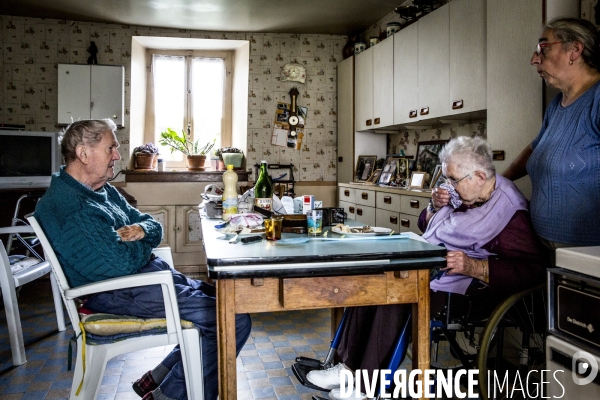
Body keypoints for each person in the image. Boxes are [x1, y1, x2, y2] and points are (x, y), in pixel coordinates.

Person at [306, 137, 548, 397]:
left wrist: (475, 267)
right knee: (372, 276)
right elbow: (427, 226)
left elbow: (534, 270)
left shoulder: (511, 212)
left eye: (453, 180)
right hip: (430, 267)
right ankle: (348, 368)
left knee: (397, 292)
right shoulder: (466, 193)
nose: (449, 186)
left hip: (464, 289)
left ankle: (366, 386)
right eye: (446, 180)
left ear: (479, 175)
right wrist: (433, 205)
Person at [34, 119, 251, 400]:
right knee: (232, 319)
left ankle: (158, 380)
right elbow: (120, 264)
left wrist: (141, 232)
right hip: (119, 290)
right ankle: (167, 394)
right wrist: (144, 246)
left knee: (225, 303)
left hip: (144, 278)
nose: (117, 155)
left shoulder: (101, 191)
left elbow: (152, 225)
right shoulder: (70, 206)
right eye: (111, 147)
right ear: (83, 153)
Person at [502, 17, 600, 250]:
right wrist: (497, 183)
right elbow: (537, 148)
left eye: (543, 48)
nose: (534, 59)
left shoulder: (597, 98)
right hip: (543, 242)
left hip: (584, 249)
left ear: (574, 50)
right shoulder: (558, 105)